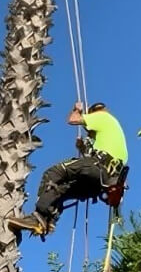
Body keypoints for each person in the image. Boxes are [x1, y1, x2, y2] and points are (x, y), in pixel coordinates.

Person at [8, 101, 128, 236]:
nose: (90, 134)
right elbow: (98, 163)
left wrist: (76, 110)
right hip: (100, 183)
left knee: (53, 173)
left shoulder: (102, 117)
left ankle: (39, 216)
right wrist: (83, 148)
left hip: (97, 168)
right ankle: (48, 221)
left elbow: (73, 120)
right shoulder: (113, 133)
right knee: (62, 190)